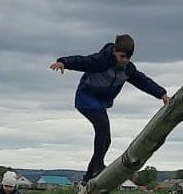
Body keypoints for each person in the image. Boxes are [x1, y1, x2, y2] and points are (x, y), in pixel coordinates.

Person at [50, 34, 171, 184]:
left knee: (106, 138)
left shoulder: (128, 69)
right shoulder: (100, 61)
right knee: (102, 127)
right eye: (122, 56)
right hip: (86, 98)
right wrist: (63, 62)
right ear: (114, 51)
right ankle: (97, 167)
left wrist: (162, 94)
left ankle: (89, 176)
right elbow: (82, 61)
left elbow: (143, 81)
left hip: (100, 103)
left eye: (128, 57)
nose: (125, 60)